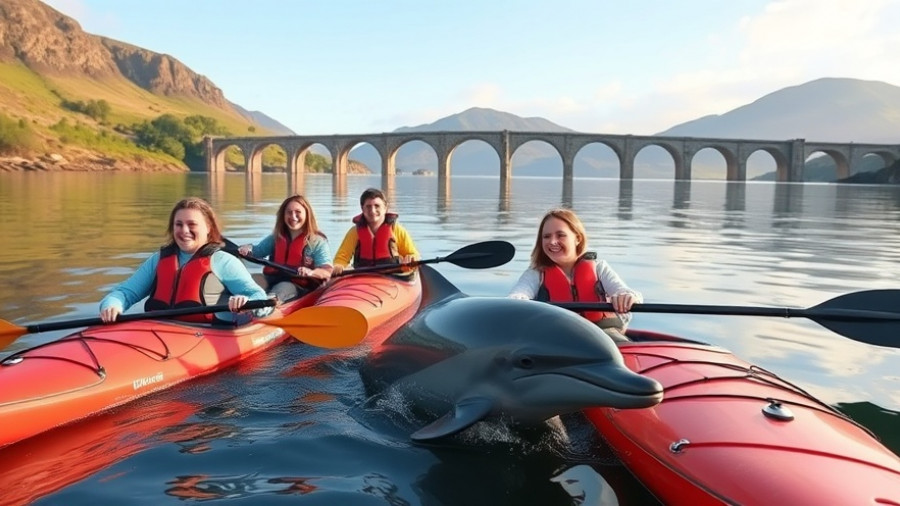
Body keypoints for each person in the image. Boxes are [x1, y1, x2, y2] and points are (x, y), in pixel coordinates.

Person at [99, 197, 273, 325]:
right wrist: (112, 305)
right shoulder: (159, 259)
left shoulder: (223, 261)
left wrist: (245, 302)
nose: (184, 230)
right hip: (158, 332)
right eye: (179, 224)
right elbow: (125, 292)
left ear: (208, 228)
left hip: (206, 333)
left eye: (192, 224)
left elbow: (258, 297)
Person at [508, 208, 642, 340]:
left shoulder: (599, 268)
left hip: (603, 337)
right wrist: (517, 300)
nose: (552, 241)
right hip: (557, 340)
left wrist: (627, 297)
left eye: (560, 235)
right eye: (546, 236)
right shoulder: (535, 273)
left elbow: (625, 292)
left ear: (577, 238)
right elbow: (519, 294)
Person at [237, 194, 332, 303]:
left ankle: (266, 306)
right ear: (283, 215)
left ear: (307, 214)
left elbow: (327, 271)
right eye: (289, 212)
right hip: (272, 279)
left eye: (298, 212)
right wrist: (248, 248)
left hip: (298, 286)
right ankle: (241, 304)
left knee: (283, 287)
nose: (293, 216)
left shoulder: (317, 242)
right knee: (251, 281)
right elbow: (258, 251)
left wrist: (311, 272)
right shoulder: (276, 237)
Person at [332, 187, 420, 276]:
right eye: (368, 206)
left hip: (392, 277)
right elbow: (341, 258)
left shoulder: (397, 230)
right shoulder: (354, 232)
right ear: (362, 208)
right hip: (363, 277)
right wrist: (339, 266)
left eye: (377, 206)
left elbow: (412, 254)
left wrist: (412, 258)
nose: (373, 211)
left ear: (385, 207)